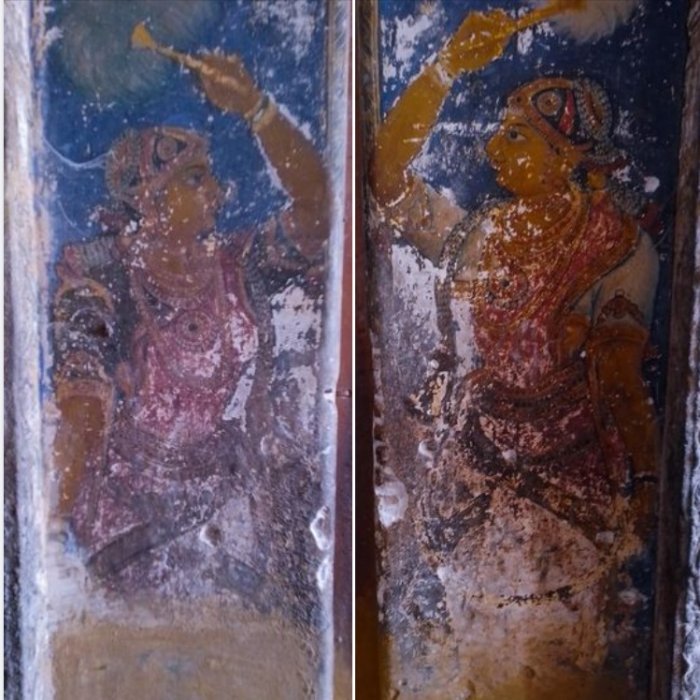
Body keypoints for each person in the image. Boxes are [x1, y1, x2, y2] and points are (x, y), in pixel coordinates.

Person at [372, 10, 659, 699]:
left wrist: (647, 485)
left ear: (569, 155)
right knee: (470, 659)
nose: (495, 149)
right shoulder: (480, 231)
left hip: (568, 486)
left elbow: (619, 379)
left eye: (518, 135)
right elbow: (386, 178)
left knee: (563, 662)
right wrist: (445, 66)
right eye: (499, 131)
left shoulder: (616, 245)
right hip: (472, 471)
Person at [52, 52, 328, 616]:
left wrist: (258, 108)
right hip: (127, 521)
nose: (220, 193)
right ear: (148, 199)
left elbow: (322, 213)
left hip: (228, 515)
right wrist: (50, 536)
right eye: (195, 178)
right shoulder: (101, 274)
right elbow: (81, 411)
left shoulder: (239, 262)